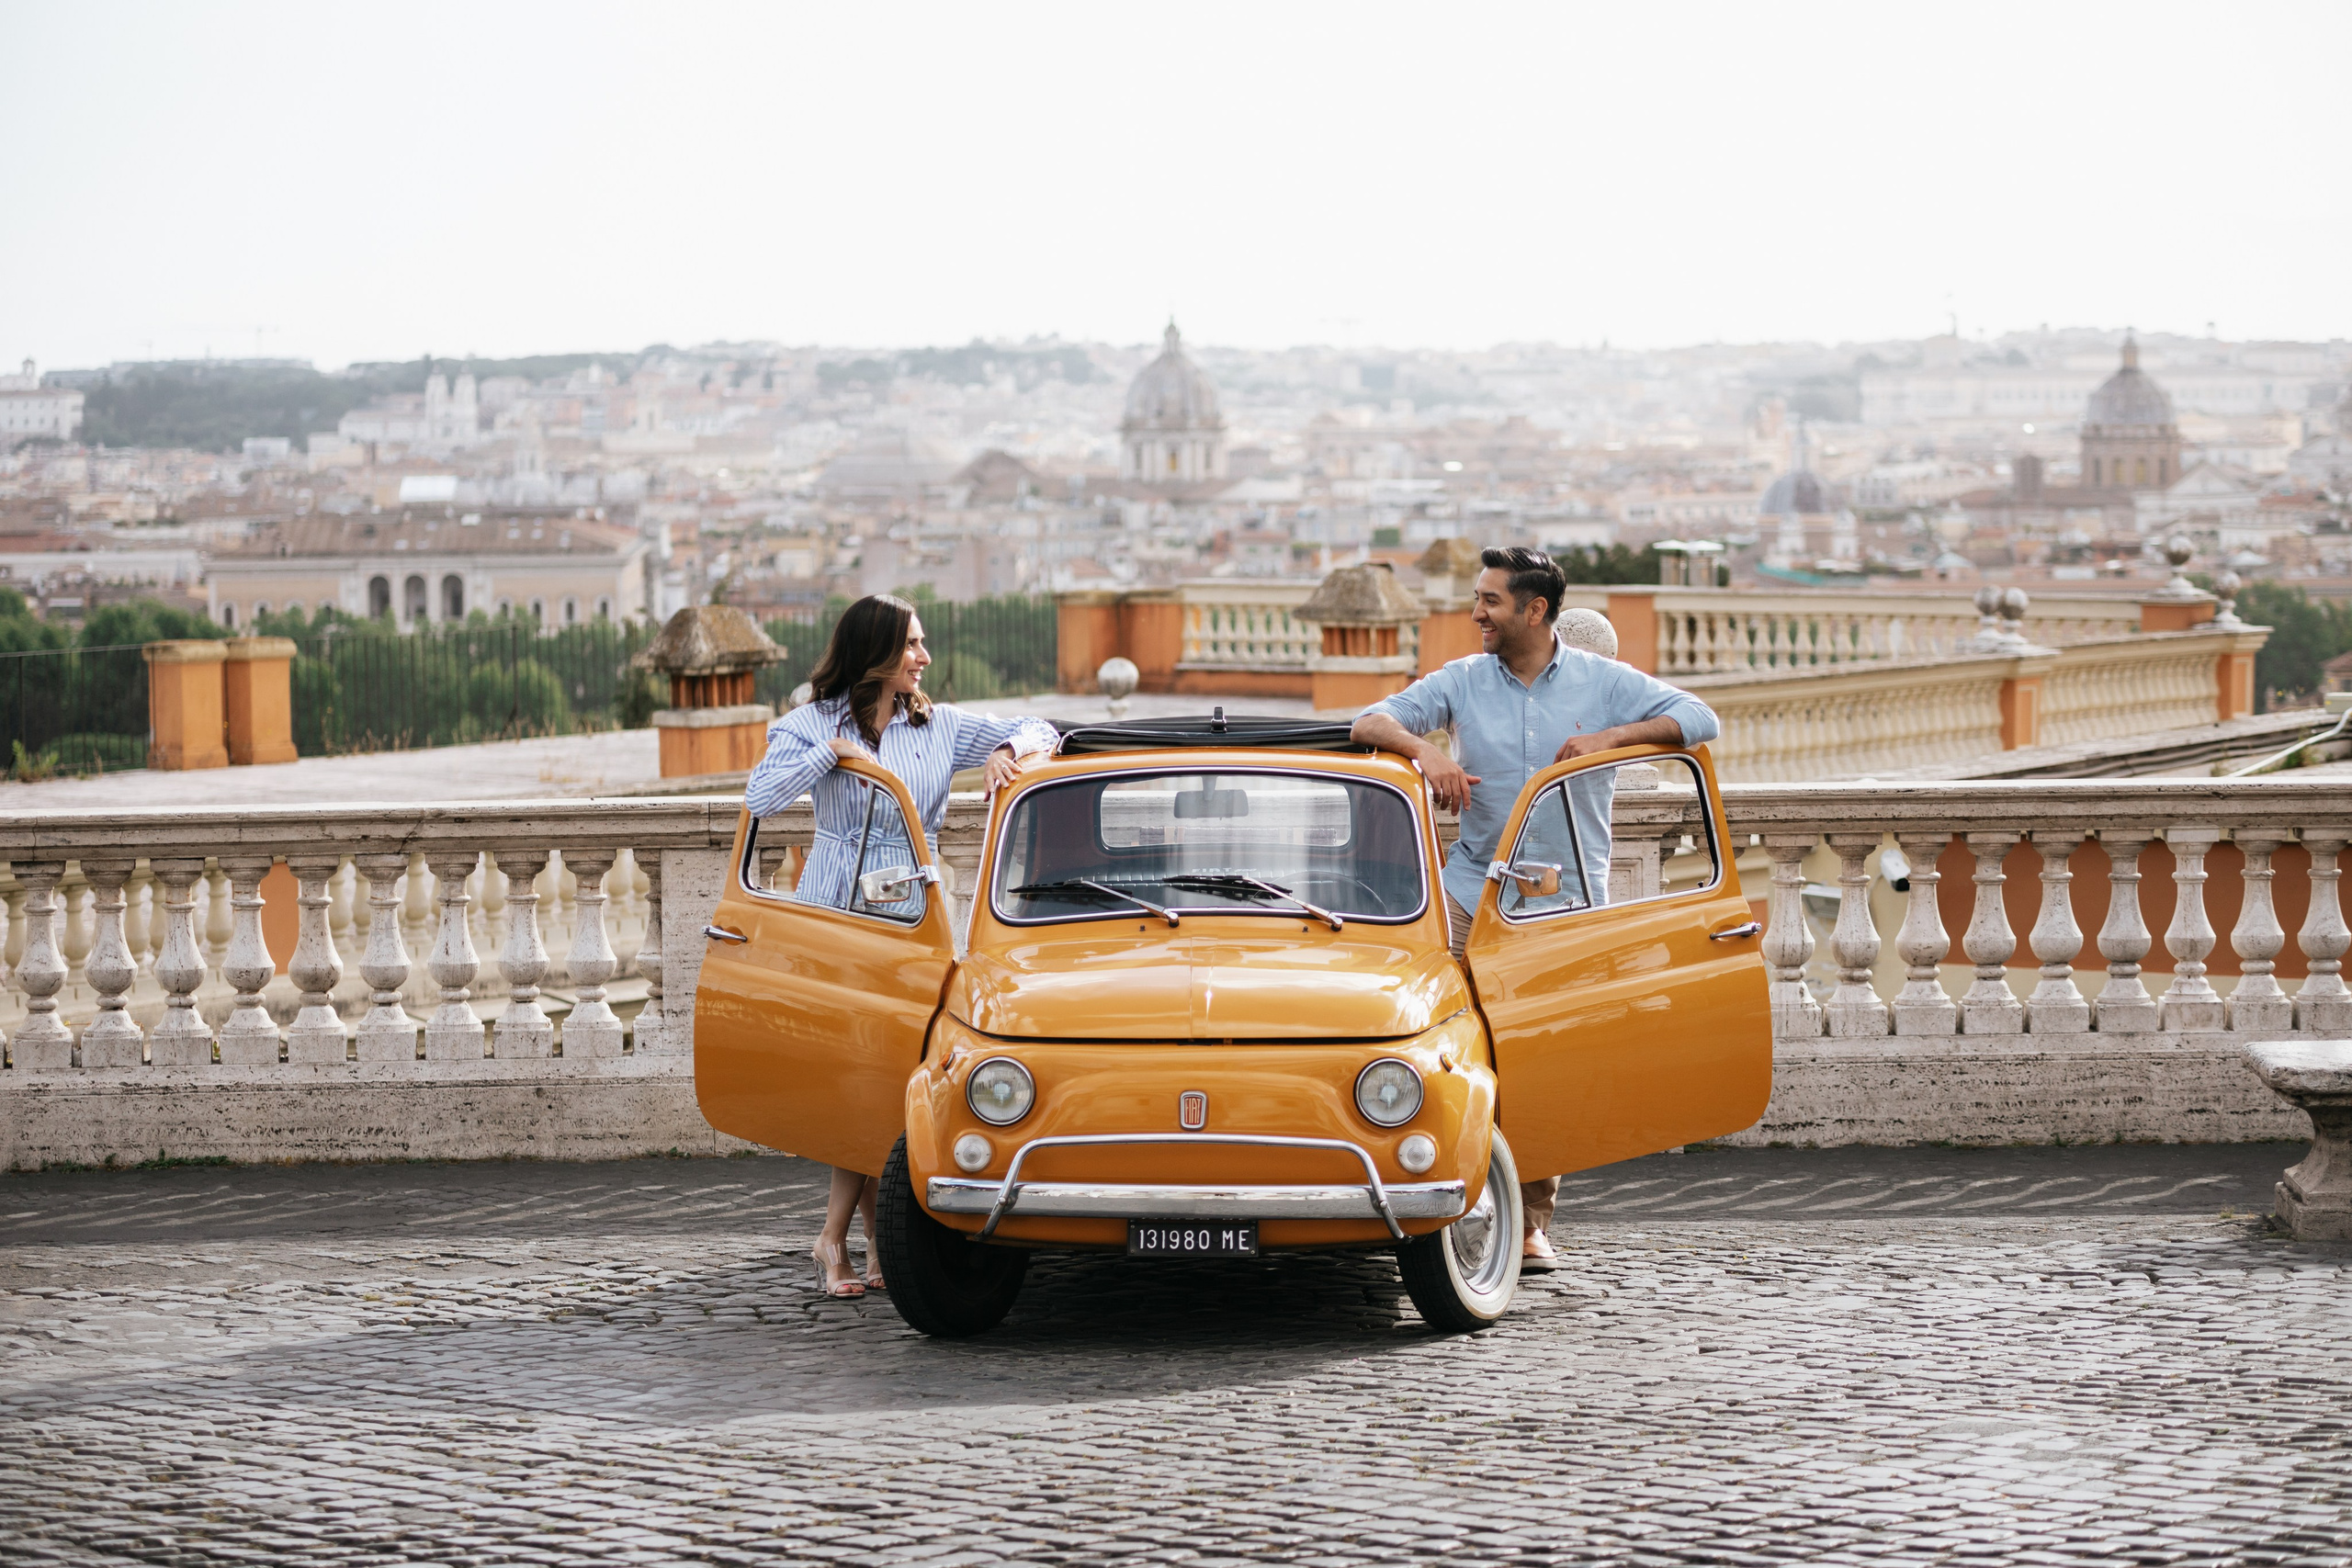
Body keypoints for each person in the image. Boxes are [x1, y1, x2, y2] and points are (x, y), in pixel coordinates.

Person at [1349, 547, 1719, 1271]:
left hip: (1566, 907)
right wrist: (1427, 755)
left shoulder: (1600, 681)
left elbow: (1699, 717)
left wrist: (1608, 740)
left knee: (1546, 1066)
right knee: (1444, 1046)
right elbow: (1370, 721)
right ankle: (1432, 1205)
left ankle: (1530, 1224)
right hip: (1467, 896)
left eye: (1490, 600)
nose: (1476, 612)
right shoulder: (1461, 679)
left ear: (1534, 610)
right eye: (1479, 598)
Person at [744, 593, 1057, 1297]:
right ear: (876, 652)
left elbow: (1043, 726)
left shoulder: (938, 724)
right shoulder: (811, 724)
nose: (925, 657)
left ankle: (847, 1239)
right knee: (853, 1081)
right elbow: (762, 797)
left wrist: (1008, 750)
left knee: (893, 1078)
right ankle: (851, 1241)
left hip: (913, 919)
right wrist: (833, 755)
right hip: (835, 918)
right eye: (913, 644)